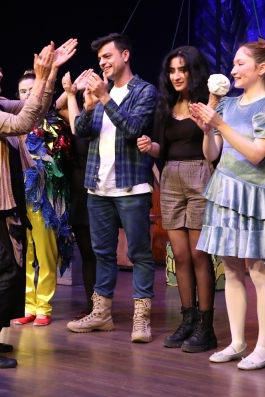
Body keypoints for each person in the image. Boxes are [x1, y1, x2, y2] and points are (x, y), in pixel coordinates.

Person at [0, 39, 76, 368]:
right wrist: (42, 76)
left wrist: (51, 73)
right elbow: (23, 122)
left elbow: (35, 109)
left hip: (3, 204)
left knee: (4, 268)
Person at [189, 39, 265, 370]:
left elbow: (257, 153)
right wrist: (208, 130)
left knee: (258, 270)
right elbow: (212, 154)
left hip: (255, 194)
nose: (233, 70)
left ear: (261, 68)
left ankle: (263, 348)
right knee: (231, 270)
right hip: (225, 191)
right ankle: (236, 342)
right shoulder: (227, 105)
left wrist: (219, 125)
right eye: (233, 64)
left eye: (240, 63)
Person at [65, 33, 157, 343]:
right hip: (98, 187)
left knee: (139, 253)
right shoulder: (100, 93)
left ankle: (142, 318)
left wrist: (105, 98)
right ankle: (101, 313)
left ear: (125, 55)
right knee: (102, 254)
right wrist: (88, 104)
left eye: (107, 56)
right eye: (99, 59)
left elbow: (133, 129)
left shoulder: (143, 91)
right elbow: (81, 131)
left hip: (131, 186)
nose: (102, 63)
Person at [136, 46, 217, 352]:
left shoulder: (207, 103)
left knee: (198, 255)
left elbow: (214, 147)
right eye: (172, 70)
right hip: (171, 177)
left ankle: (206, 326)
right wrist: (150, 146)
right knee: (180, 255)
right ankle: (187, 320)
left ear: (194, 71)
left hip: (200, 175)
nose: (176, 76)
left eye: (182, 69)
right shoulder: (166, 104)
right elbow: (162, 148)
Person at [13, 70, 72, 327]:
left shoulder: (52, 123)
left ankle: (43, 306)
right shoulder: (13, 123)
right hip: (19, 197)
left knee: (46, 253)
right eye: (23, 91)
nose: (28, 95)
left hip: (45, 198)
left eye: (32, 90)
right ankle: (27, 305)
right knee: (24, 252)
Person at [61, 73, 97, 318]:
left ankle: (102, 305)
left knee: (100, 253)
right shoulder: (76, 117)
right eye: (87, 93)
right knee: (86, 253)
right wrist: (71, 92)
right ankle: (92, 306)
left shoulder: (105, 118)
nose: (89, 96)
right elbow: (55, 108)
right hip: (79, 191)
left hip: (100, 188)